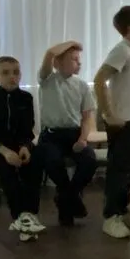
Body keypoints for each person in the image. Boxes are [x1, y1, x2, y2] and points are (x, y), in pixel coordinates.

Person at [94, 6, 130, 240]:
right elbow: (100, 80)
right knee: (119, 169)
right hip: (122, 122)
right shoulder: (121, 50)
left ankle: (122, 209)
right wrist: (108, 114)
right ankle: (111, 217)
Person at [0, 56, 46, 241]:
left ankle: (29, 215)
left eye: (16, 72)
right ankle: (20, 217)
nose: (12, 77)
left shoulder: (26, 98)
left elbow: (28, 130)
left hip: (19, 148)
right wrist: (4, 151)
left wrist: (25, 147)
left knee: (35, 164)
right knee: (8, 171)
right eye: (5, 73)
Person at [36, 41, 98, 227]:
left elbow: (86, 118)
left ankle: (66, 197)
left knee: (89, 160)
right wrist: (70, 43)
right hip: (51, 135)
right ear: (57, 63)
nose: (79, 63)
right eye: (74, 59)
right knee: (53, 161)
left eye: (79, 59)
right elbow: (49, 53)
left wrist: (82, 139)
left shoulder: (82, 85)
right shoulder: (47, 80)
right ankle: (70, 201)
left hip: (74, 134)